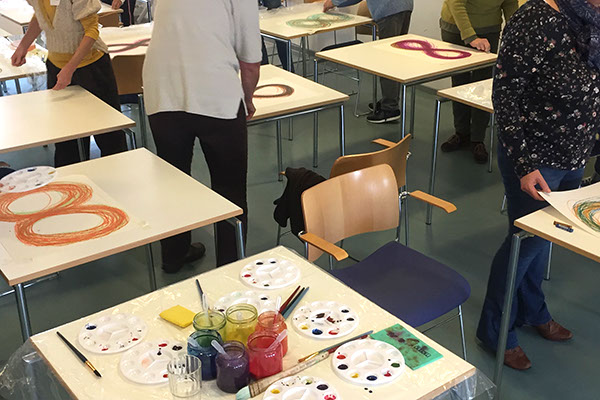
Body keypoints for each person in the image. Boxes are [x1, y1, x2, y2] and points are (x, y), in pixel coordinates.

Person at [477, 0, 600, 370]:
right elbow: (505, 96)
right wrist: (524, 165)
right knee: (525, 242)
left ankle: (533, 310)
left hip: (575, 154)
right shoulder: (535, 19)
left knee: (545, 239)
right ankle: (495, 329)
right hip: (537, 159)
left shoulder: (589, 20)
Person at [142, 0, 261, 271]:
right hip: (215, 92)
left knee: (173, 183)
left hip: (163, 89)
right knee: (230, 189)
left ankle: (173, 255)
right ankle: (229, 267)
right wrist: (248, 99)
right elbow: (250, 63)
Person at [11, 0, 128, 168]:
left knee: (108, 133)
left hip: (91, 68)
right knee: (66, 135)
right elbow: (40, 16)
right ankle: (73, 179)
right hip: (57, 66)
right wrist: (23, 45)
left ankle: (117, 175)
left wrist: (70, 68)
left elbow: (92, 30)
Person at [440, 0, 518, 164]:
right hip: (456, 28)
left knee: (483, 86)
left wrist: (514, 31)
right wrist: (471, 37)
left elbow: (509, 3)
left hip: (489, 29)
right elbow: (456, 3)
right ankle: (461, 133)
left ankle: (477, 139)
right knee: (459, 83)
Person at [323, 0, 413, 124]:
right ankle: (389, 101)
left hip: (389, 9)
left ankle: (389, 108)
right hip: (404, 6)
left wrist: (333, 2)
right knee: (395, 58)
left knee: (388, 61)